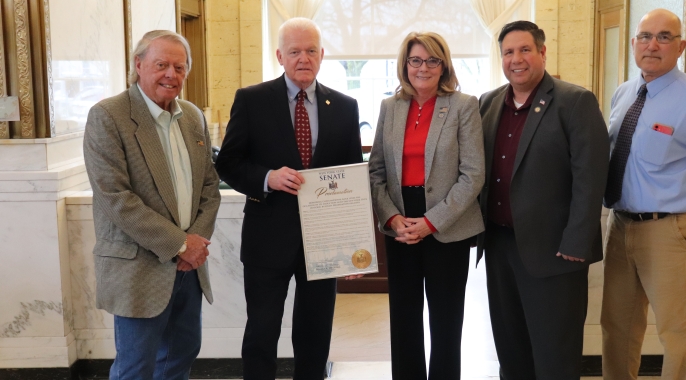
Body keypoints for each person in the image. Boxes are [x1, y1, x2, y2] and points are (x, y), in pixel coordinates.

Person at [214, 17, 363, 380]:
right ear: (280, 55)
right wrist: (267, 178)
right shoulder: (251, 100)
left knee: (314, 335)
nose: (303, 58)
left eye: (311, 51)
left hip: (325, 243)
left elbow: (353, 179)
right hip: (268, 238)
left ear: (322, 55)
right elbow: (228, 164)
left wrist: (353, 246)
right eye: (295, 51)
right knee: (262, 333)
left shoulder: (344, 106)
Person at [601, 9, 686, 380]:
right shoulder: (624, 93)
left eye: (664, 37)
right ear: (633, 44)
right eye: (645, 36)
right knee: (616, 328)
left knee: (678, 335)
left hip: (672, 231)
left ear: (680, 47)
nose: (652, 44)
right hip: (620, 225)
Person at [83, 30, 221, 379]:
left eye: (180, 66)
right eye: (161, 65)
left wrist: (195, 244)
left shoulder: (192, 116)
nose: (171, 74)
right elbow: (116, 198)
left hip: (189, 269)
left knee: (181, 356)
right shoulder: (108, 116)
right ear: (138, 65)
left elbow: (209, 186)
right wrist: (180, 244)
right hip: (138, 270)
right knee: (136, 367)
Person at [476, 21, 609, 379]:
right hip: (500, 247)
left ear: (542, 52)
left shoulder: (574, 101)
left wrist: (577, 242)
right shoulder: (488, 103)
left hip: (556, 253)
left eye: (524, 50)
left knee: (555, 355)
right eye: (508, 52)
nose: (516, 59)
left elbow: (590, 177)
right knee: (510, 349)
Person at [368, 31, 485, 379]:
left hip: (448, 222)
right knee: (403, 318)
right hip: (400, 220)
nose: (424, 67)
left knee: (446, 321)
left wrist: (431, 221)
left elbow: (473, 174)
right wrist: (391, 216)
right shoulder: (391, 107)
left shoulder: (464, 105)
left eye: (432, 60)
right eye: (416, 60)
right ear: (405, 64)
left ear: (444, 65)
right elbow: (376, 170)